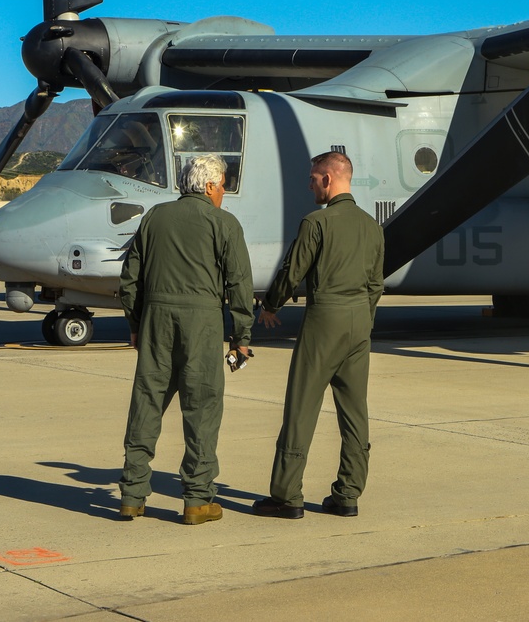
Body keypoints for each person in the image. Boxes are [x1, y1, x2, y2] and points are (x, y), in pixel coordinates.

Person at [118, 154, 254, 525]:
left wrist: (136, 323)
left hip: (156, 322)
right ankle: (197, 499)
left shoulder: (154, 217)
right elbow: (240, 284)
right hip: (202, 323)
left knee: (146, 404)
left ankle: (132, 494)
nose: (224, 191)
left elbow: (130, 278)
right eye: (223, 184)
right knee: (202, 410)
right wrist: (241, 337)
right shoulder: (224, 223)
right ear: (209, 186)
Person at [253, 151, 384, 519]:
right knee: (355, 411)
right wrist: (363, 318)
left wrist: (272, 304)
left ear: (328, 179)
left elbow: (293, 269)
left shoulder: (316, 223)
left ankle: (287, 495)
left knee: (301, 406)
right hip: (360, 320)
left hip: (325, 316)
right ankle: (349, 493)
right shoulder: (372, 226)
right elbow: (376, 283)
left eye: (313, 178)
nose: (310, 185)